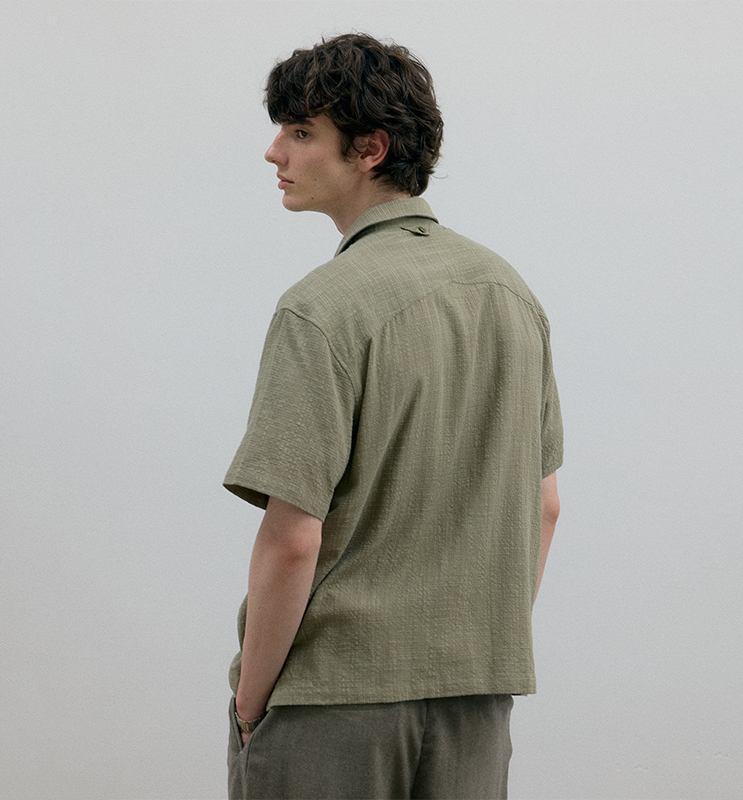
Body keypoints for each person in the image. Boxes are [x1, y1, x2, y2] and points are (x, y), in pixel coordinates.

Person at [223, 32, 563, 800]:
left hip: (332, 706)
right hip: (476, 703)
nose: (275, 152)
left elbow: (292, 538)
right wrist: (474, 645)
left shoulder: (321, 308)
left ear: (370, 149)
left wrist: (251, 702)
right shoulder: (511, 295)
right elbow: (544, 505)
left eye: (301, 132)